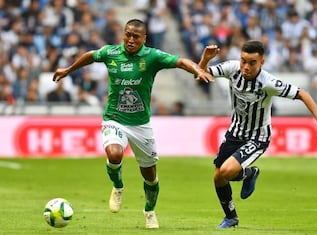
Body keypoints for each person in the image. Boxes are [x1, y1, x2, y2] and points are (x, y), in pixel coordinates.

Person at [52, 19, 213, 229]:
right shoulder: (111, 53)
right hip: (114, 119)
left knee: (150, 177)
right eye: (127, 34)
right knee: (114, 154)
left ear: (144, 39)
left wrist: (197, 70)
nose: (130, 39)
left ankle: (149, 211)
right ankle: (118, 186)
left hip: (141, 125)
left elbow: (181, 61)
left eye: (136, 36)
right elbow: (91, 55)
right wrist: (68, 70)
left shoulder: (152, 56)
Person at [198, 40, 317, 229]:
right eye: (243, 60)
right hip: (234, 133)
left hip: (257, 137)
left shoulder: (268, 82)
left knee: (227, 171)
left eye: (252, 63)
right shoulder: (232, 68)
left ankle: (248, 172)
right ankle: (231, 217)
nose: (246, 66)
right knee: (218, 177)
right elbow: (201, 74)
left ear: (262, 62)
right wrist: (205, 60)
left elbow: (302, 93)